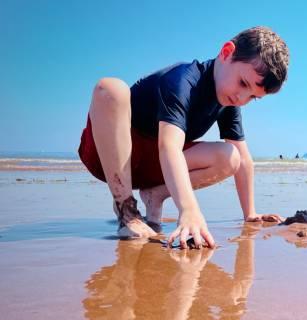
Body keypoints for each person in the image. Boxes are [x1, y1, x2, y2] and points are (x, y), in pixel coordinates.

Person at [78, 26, 289, 248]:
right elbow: (169, 147)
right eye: (243, 84)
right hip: (110, 158)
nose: (241, 98)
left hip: (155, 167)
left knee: (231, 156)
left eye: (253, 97)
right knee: (112, 88)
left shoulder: (228, 100)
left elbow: (244, 159)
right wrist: (189, 210)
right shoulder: (183, 81)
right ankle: (126, 210)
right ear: (226, 53)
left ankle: (154, 195)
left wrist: (250, 213)